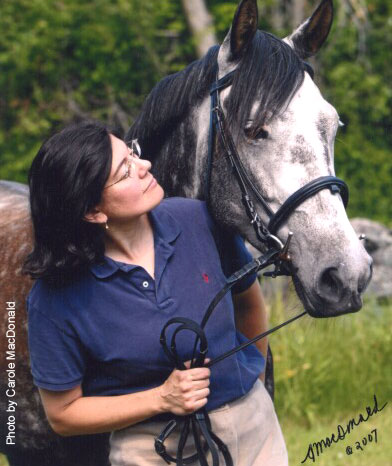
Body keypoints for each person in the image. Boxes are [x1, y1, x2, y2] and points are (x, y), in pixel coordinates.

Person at [24, 120, 288, 465]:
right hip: (150, 450)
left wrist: (248, 383)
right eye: (125, 171)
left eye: (132, 152)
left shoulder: (199, 220)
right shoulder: (54, 298)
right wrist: (161, 399)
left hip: (251, 432)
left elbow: (248, 302)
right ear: (93, 211)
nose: (144, 165)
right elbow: (63, 414)